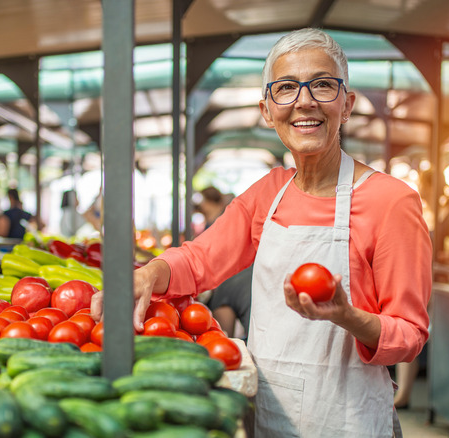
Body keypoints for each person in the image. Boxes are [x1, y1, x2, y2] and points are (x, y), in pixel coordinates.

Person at [92, 28, 431, 436]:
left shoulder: (392, 202)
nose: (304, 101)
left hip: (350, 421)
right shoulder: (267, 193)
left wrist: (348, 317)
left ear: (348, 104)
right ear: (267, 110)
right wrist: (149, 273)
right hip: (270, 416)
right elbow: (200, 259)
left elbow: (410, 334)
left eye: (323, 85)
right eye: (286, 88)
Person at [195, 186, 253, 339]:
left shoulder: (217, 221)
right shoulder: (229, 218)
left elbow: (225, 337)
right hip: (245, 276)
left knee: (226, 336)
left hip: (229, 279)